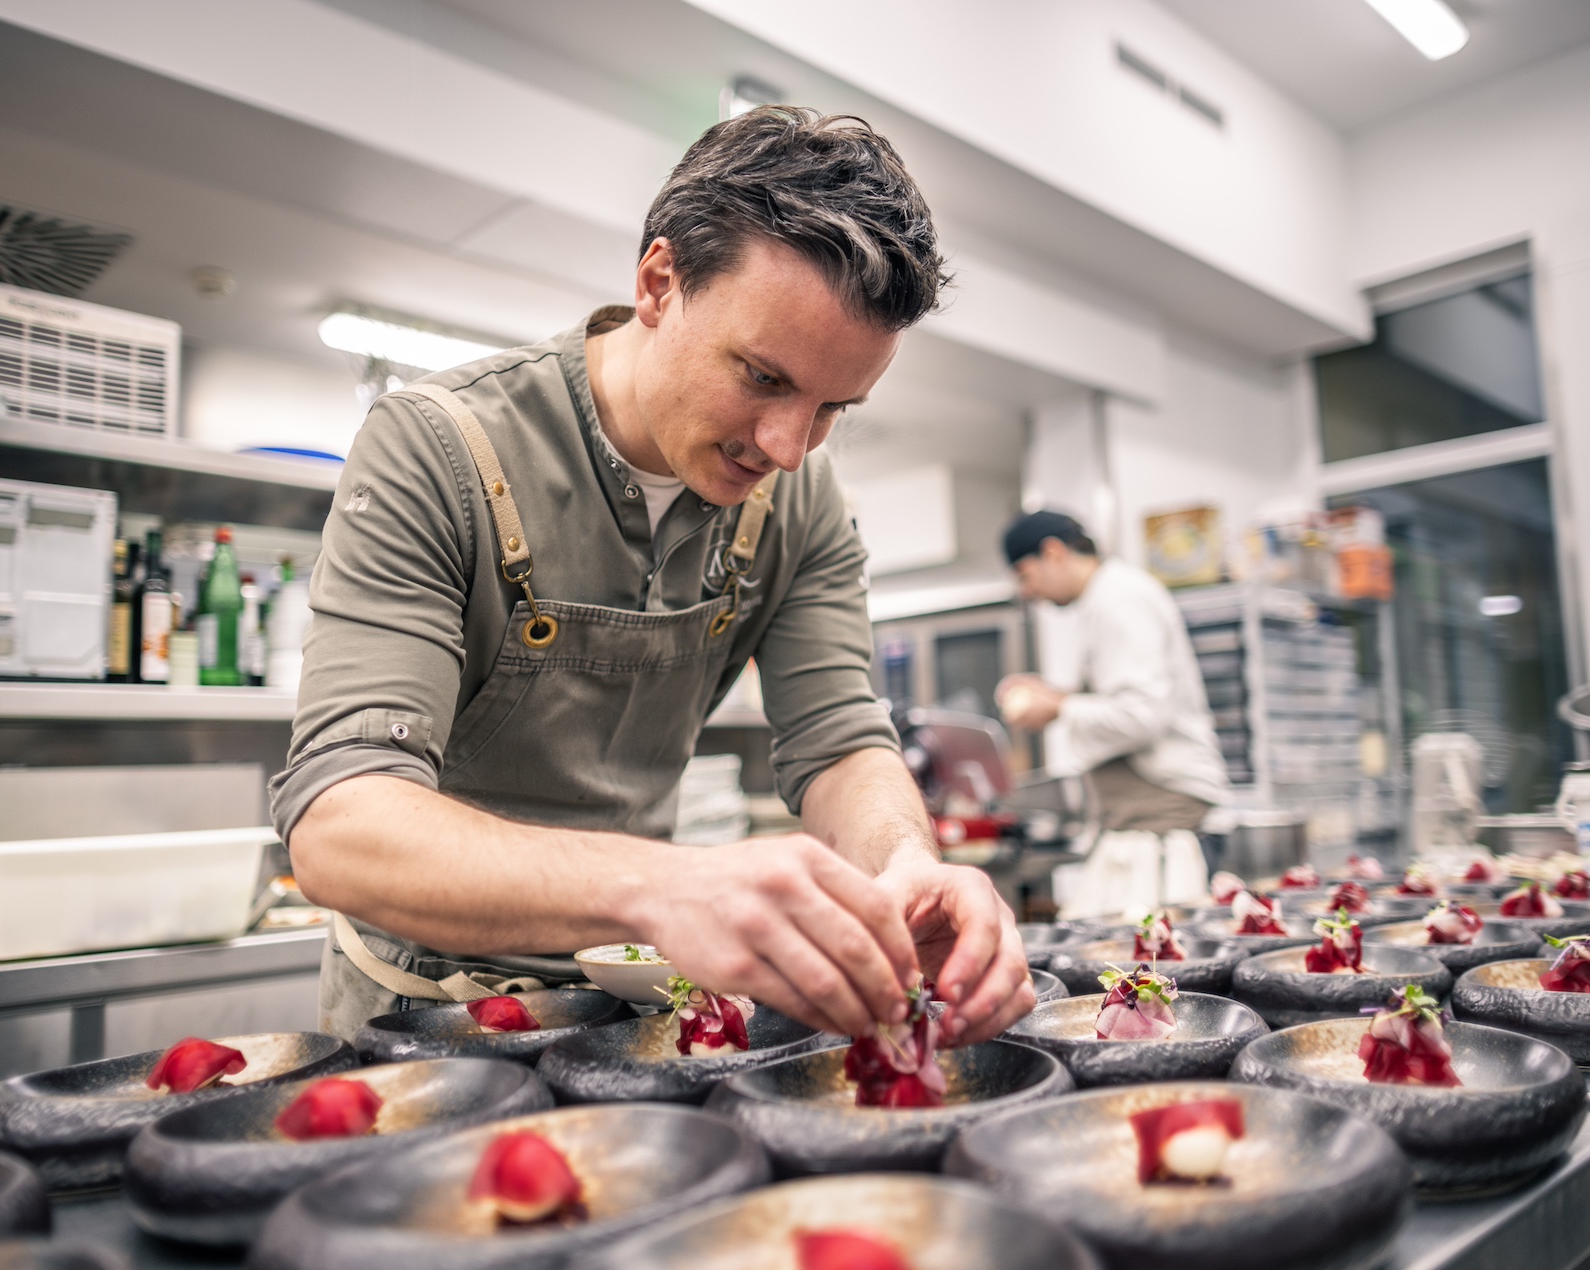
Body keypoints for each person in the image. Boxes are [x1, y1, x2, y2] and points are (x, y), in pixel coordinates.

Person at [272, 107, 1034, 1046]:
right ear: (659, 283)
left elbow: (838, 739)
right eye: (762, 377)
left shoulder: (802, 500)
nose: (786, 447)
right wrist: (665, 885)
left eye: (833, 407)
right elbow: (341, 825)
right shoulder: (437, 447)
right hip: (420, 1016)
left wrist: (905, 864)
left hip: (635, 1004)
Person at [995, 510, 1228, 918]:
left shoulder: (1119, 599)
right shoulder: (1103, 600)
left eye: (1025, 575)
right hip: (1139, 820)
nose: (1027, 591)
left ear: (1053, 553)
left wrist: (1059, 706)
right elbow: (1123, 698)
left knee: (1156, 947)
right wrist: (1055, 696)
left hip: (1163, 817)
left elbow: (1142, 715)